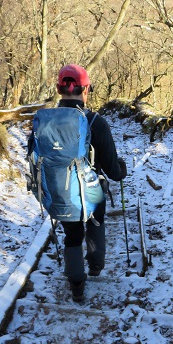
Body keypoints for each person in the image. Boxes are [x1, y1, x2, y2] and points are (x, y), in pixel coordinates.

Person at [55, 64, 127, 302]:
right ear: (85, 90)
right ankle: (95, 264)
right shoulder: (95, 121)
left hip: (60, 192)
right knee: (95, 219)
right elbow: (112, 170)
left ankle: (76, 282)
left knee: (72, 235)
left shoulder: (43, 121)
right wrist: (120, 171)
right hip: (90, 191)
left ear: (59, 89)